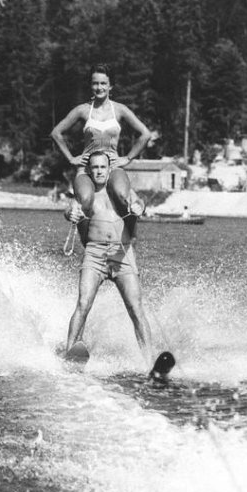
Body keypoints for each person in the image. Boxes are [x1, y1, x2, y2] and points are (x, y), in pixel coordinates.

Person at [63, 151, 154, 366]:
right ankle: (69, 352)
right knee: (83, 303)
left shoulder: (122, 191)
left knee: (135, 307)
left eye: (102, 167)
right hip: (94, 255)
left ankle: (149, 360)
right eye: (94, 168)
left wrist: (139, 207)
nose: (98, 171)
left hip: (122, 254)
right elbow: (71, 209)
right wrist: (70, 214)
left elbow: (139, 202)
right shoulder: (85, 195)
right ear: (89, 171)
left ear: (109, 169)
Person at [50, 63, 152, 219]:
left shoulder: (120, 110)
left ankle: (132, 219)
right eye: (95, 83)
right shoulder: (83, 110)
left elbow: (145, 134)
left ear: (111, 86)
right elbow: (56, 133)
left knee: (121, 195)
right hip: (87, 167)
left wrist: (127, 158)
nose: (99, 87)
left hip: (112, 165)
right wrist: (71, 158)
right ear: (90, 85)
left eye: (103, 83)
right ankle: (74, 216)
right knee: (85, 200)